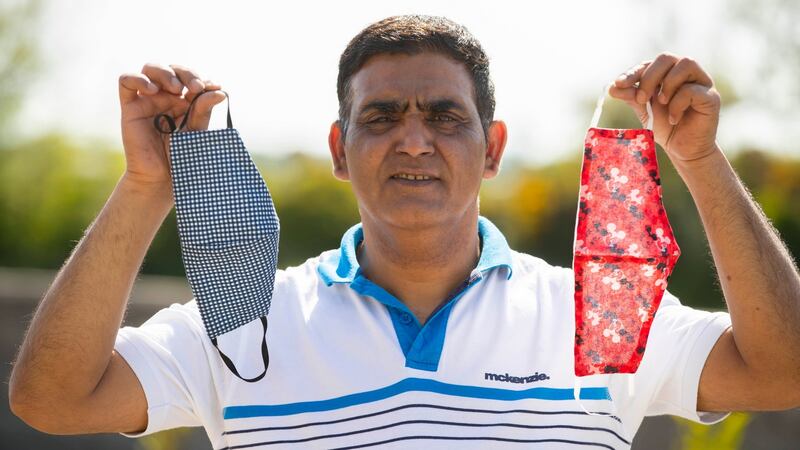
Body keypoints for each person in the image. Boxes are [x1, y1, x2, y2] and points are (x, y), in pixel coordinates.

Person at [8, 14, 800, 450]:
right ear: (339, 150)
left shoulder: (599, 317)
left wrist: (699, 161)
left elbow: (783, 372)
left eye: (446, 117)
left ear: (492, 149)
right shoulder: (245, 320)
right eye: (382, 117)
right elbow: (52, 400)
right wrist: (148, 186)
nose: (413, 141)